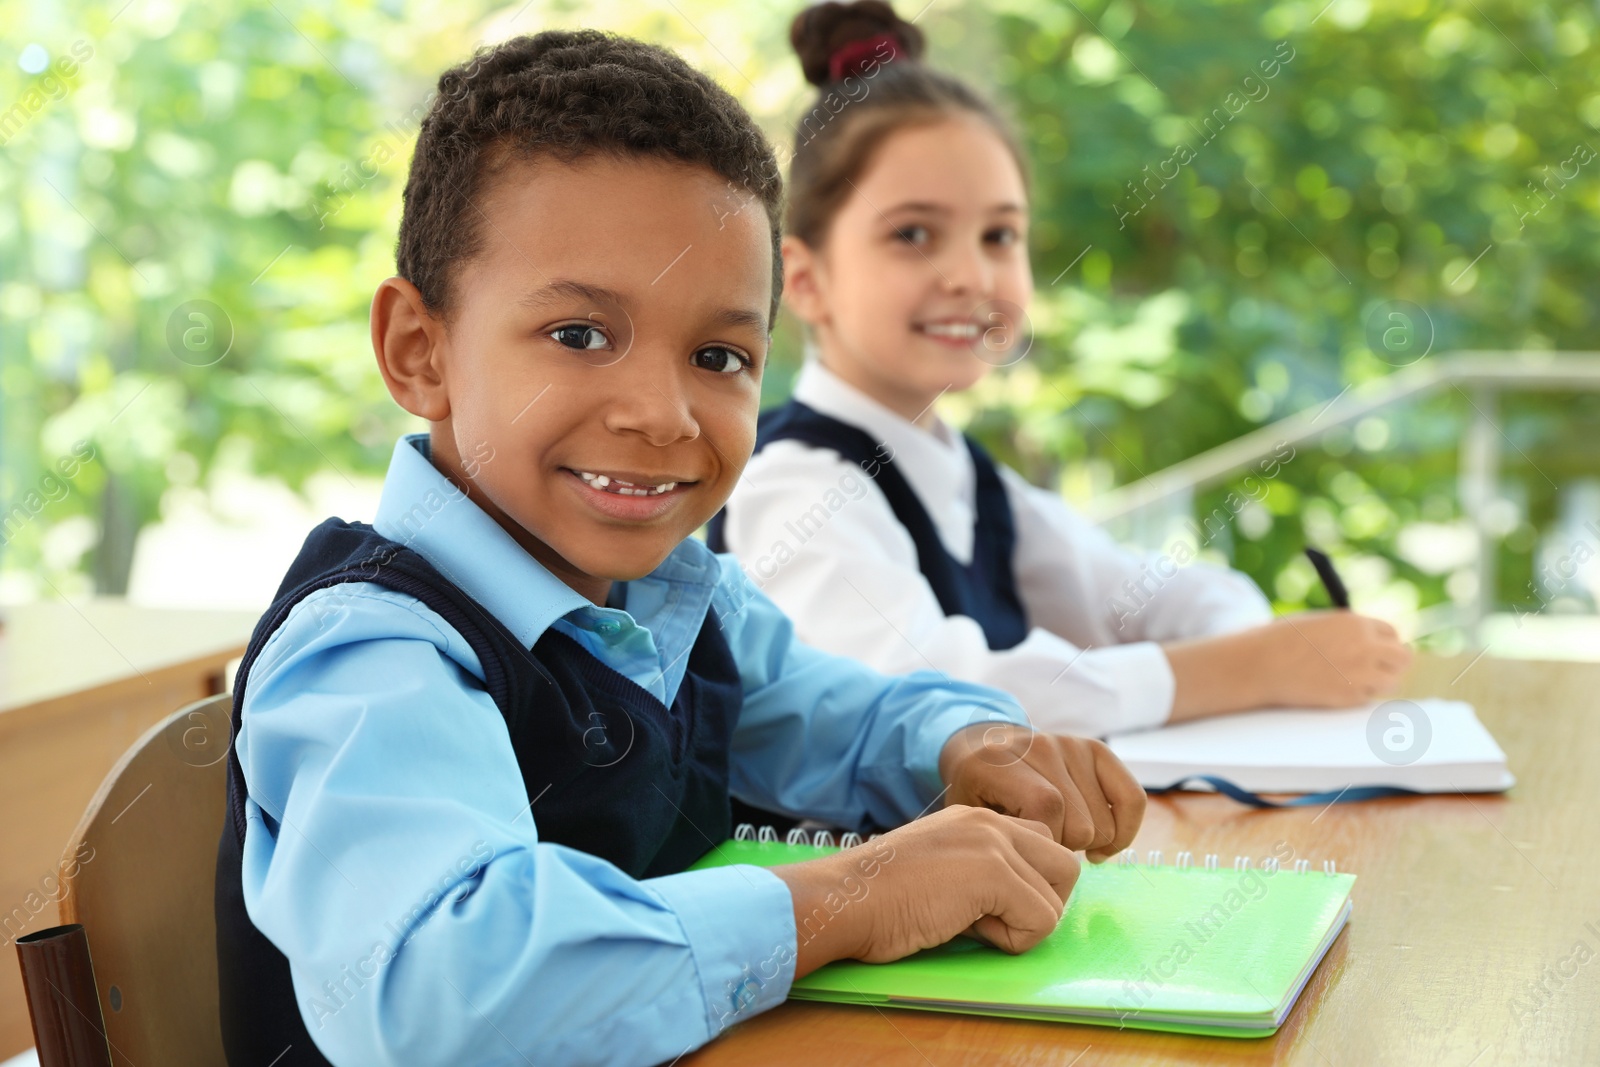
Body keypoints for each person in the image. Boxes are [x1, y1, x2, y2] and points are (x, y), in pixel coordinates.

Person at [214, 29, 1145, 1067]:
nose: (662, 415)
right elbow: (449, 986)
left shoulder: (673, 600)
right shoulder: (365, 655)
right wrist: (851, 900)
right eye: (578, 334)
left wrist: (967, 745)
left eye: (718, 355)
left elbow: (837, 719)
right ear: (418, 351)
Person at [709, 0, 1412, 737]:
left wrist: (1259, 643)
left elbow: (1145, 595)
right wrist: (1250, 667)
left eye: (999, 234)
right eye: (913, 234)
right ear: (808, 280)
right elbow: (931, 696)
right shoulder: (796, 487)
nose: (970, 276)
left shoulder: (967, 478)